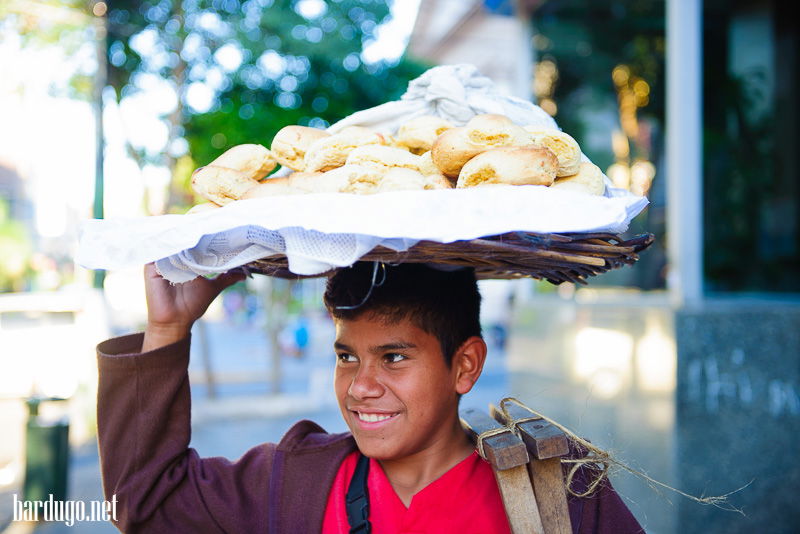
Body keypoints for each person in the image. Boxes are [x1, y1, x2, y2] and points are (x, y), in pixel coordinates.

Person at [95, 261, 643, 533]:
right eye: (346, 357)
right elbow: (144, 502)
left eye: (394, 357)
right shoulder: (296, 481)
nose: (360, 387)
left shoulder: (556, 488)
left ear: (465, 365)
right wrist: (168, 328)